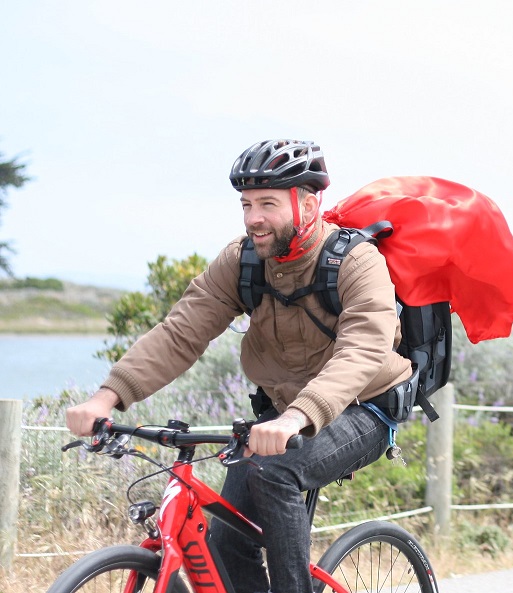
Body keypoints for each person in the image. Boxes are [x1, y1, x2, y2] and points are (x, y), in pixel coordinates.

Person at [66, 139, 413, 593]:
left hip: (366, 407)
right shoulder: (242, 260)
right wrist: (106, 396)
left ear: (309, 204)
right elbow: (180, 332)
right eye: (246, 205)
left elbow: (364, 350)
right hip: (284, 413)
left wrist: (295, 416)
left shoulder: (356, 261)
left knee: (274, 472)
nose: (253, 218)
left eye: (268, 204)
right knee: (226, 538)